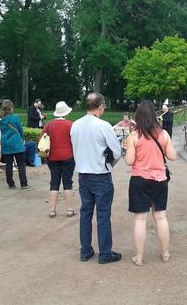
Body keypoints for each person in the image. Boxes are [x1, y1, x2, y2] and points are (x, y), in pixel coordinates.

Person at [70, 92, 122, 264]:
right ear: (100, 106)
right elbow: (117, 151)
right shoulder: (103, 125)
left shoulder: (75, 125)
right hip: (100, 174)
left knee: (85, 213)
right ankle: (105, 253)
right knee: (103, 214)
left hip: (83, 174)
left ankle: (85, 250)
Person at [124, 100, 177, 266]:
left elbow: (129, 161)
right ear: (155, 115)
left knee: (140, 219)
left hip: (140, 179)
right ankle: (165, 253)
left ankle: (139, 257)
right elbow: (172, 156)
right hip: (160, 180)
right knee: (161, 217)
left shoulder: (134, 136)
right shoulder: (163, 134)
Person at [40, 101, 76, 219]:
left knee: (54, 182)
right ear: (66, 113)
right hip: (68, 157)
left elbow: (41, 139)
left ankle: (52, 210)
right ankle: (69, 209)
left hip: (52, 157)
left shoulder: (49, 124)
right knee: (67, 182)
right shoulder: (71, 124)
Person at [0, 100, 32, 190]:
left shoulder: (0, 120)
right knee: (21, 165)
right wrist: (22, 138)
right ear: (11, 108)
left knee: (9, 165)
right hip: (16, 143)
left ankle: (11, 184)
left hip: (6, 143)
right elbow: (20, 130)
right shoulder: (15, 118)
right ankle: (24, 184)